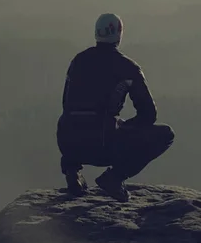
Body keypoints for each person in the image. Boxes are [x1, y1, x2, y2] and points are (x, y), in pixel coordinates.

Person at [56, 13, 175, 202]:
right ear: (119, 34)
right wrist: (124, 125)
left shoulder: (77, 62)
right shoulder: (128, 68)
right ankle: (115, 177)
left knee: (77, 119)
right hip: (103, 144)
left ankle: (72, 172)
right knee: (165, 135)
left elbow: (66, 103)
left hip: (68, 142)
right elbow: (148, 115)